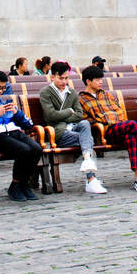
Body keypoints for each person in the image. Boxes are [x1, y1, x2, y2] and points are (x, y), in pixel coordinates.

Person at [79, 66, 137, 192]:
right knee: (132, 125)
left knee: (131, 137)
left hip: (120, 127)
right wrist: (105, 120)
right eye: (97, 79)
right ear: (88, 81)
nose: (101, 82)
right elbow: (86, 120)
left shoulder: (106, 95)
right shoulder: (81, 99)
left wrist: (112, 119)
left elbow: (119, 112)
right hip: (105, 131)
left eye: (101, 79)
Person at [0, 71, 43, 203]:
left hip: (14, 131)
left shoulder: (5, 100)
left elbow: (28, 124)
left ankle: (24, 183)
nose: (0, 91)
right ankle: (16, 184)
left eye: (3, 88)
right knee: (23, 150)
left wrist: (16, 113)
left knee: (36, 149)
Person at [39, 61, 106, 194]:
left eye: (66, 78)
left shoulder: (72, 93)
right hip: (58, 132)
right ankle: (91, 179)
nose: (64, 82)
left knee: (85, 124)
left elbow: (79, 115)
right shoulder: (46, 92)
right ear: (52, 77)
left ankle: (87, 162)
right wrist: (69, 112)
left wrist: (62, 115)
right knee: (88, 140)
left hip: (73, 128)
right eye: (61, 78)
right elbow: (50, 115)